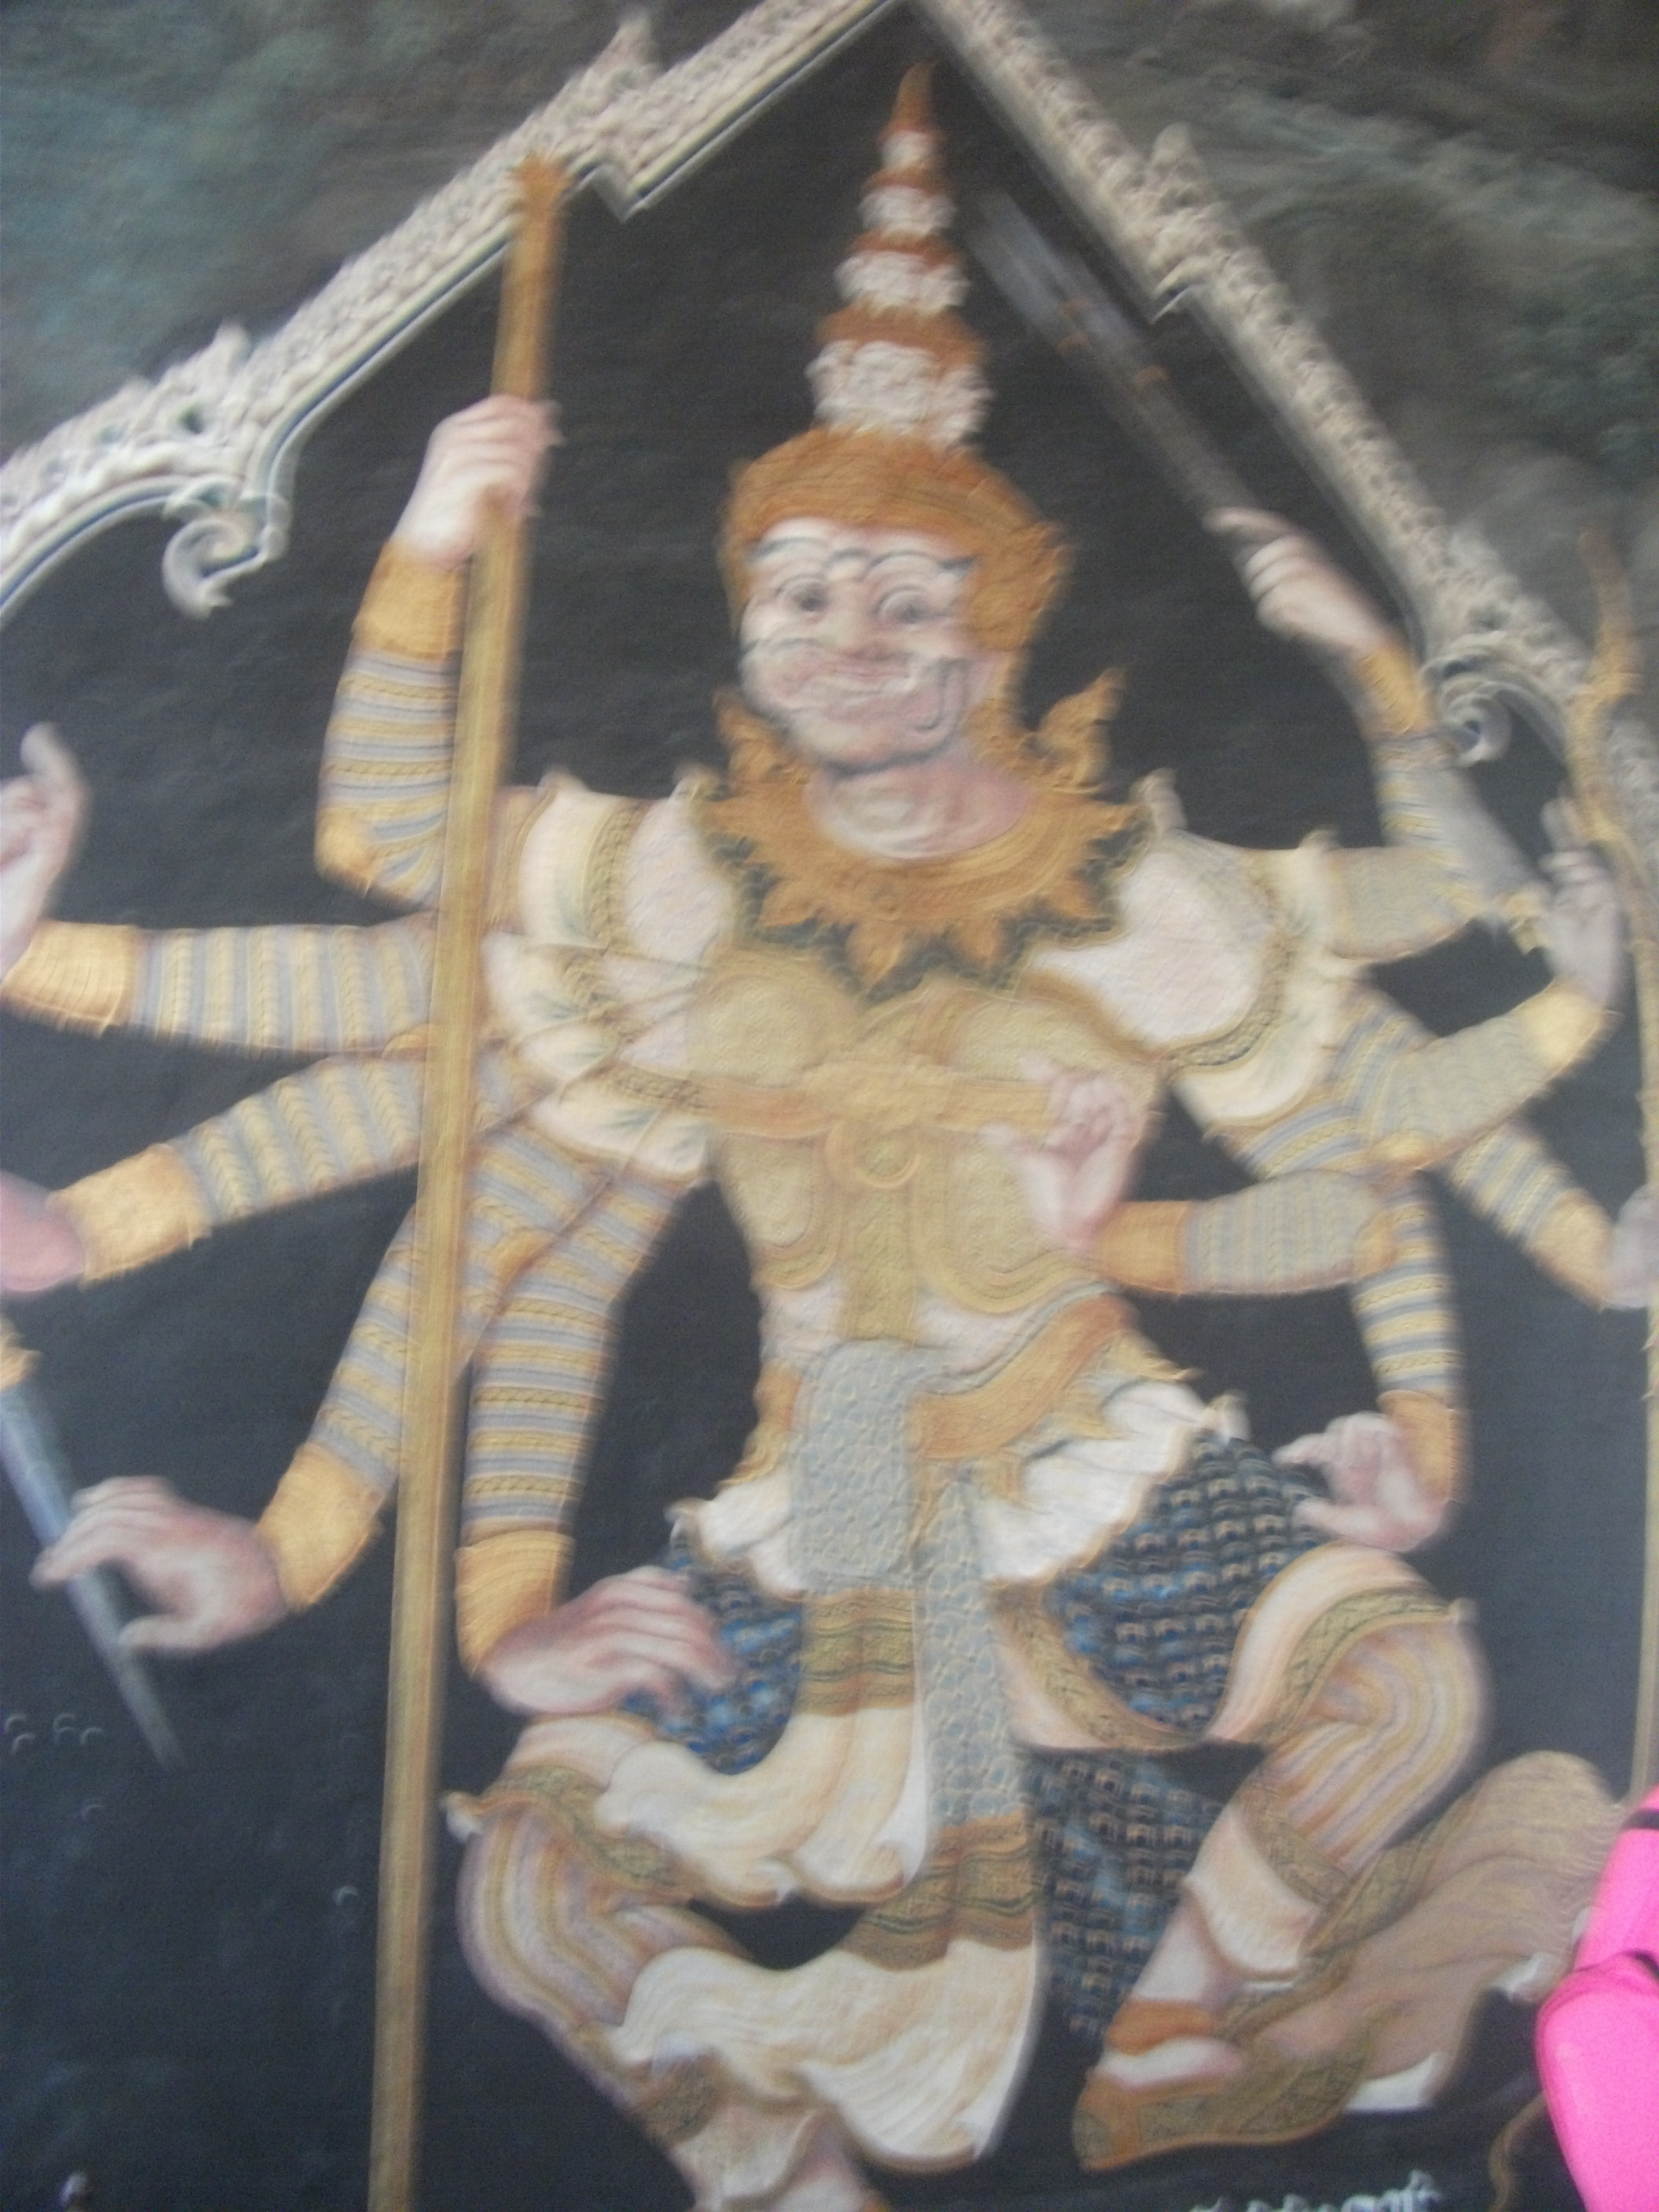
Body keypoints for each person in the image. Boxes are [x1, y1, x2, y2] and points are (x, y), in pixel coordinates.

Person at [0, 67, 1641, 2207]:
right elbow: (456, 1076)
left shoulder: (1138, 897)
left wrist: (1224, 1274)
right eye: (798, 597)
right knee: (534, 1892)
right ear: (747, 625)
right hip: (833, 1491)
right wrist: (426, 544)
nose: (849, 646)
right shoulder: (673, 890)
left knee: (1403, 1687)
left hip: (1092, 1449)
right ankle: (787, 2178)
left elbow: (1377, 1156)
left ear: (996, 629)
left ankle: (1180, 2040)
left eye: (904, 601)